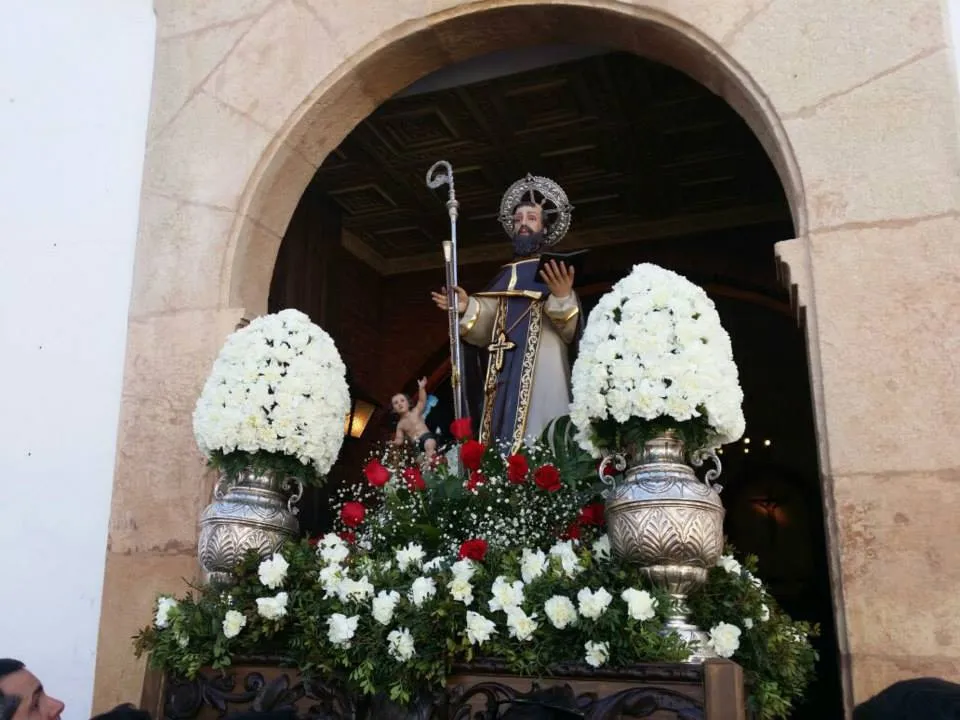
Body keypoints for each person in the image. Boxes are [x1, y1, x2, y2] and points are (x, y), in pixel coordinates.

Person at [431, 173, 581, 451]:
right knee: (503, 433)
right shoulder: (504, 276)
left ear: (545, 227)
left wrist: (562, 296)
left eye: (531, 218)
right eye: (518, 219)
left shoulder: (554, 270)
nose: (523, 224)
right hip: (504, 370)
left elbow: (572, 332)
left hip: (544, 369)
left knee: (543, 431)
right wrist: (467, 308)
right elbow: (489, 320)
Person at [390, 377, 438, 461]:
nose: (399, 404)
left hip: (426, 437)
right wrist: (394, 443)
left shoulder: (415, 412)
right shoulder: (400, 424)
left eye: (402, 400)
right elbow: (399, 438)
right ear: (394, 409)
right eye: (396, 403)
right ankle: (427, 470)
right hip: (416, 445)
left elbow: (422, 401)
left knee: (429, 446)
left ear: (408, 403)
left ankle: (430, 462)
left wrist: (421, 388)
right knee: (420, 461)